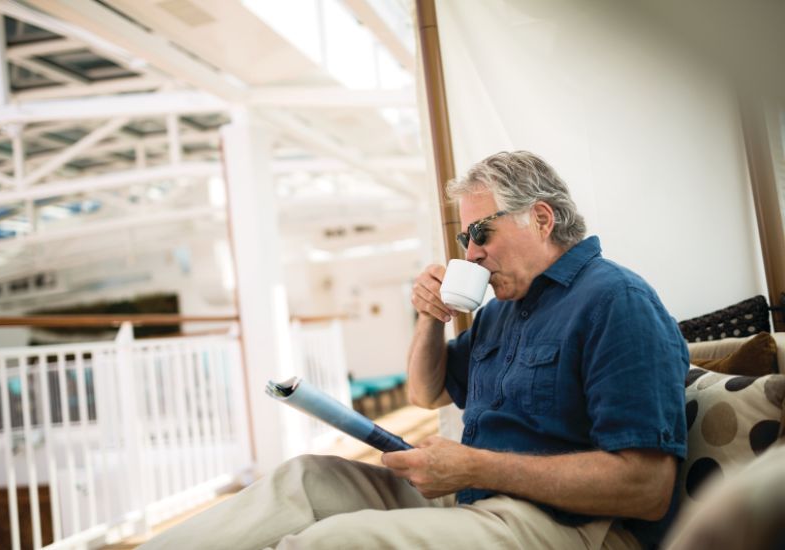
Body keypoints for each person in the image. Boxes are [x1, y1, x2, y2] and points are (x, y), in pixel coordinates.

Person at [140, 151, 688, 550]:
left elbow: (646, 488)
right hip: (473, 497)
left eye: (481, 232)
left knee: (335, 542)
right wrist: (430, 317)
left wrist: (474, 465)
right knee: (303, 480)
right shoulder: (502, 308)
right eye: (463, 240)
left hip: (558, 525)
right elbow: (426, 393)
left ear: (541, 219)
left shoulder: (616, 301)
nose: (470, 253)